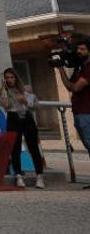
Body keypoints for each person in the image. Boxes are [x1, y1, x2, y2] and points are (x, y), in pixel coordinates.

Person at [0, 68, 45, 188]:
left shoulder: (25, 89)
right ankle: (18, 176)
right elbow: (6, 106)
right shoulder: (3, 91)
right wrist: (3, 89)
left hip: (26, 117)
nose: (9, 80)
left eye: (11, 77)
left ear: (16, 78)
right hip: (13, 118)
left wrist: (25, 101)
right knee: (15, 148)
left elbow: (36, 106)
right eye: (7, 78)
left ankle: (39, 176)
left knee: (33, 146)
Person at [55, 40, 90, 188]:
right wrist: (60, 68)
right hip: (79, 112)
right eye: (78, 49)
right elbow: (70, 86)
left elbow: (75, 88)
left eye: (82, 49)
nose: (78, 52)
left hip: (87, 113)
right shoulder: (80, 69)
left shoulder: (89, 70)